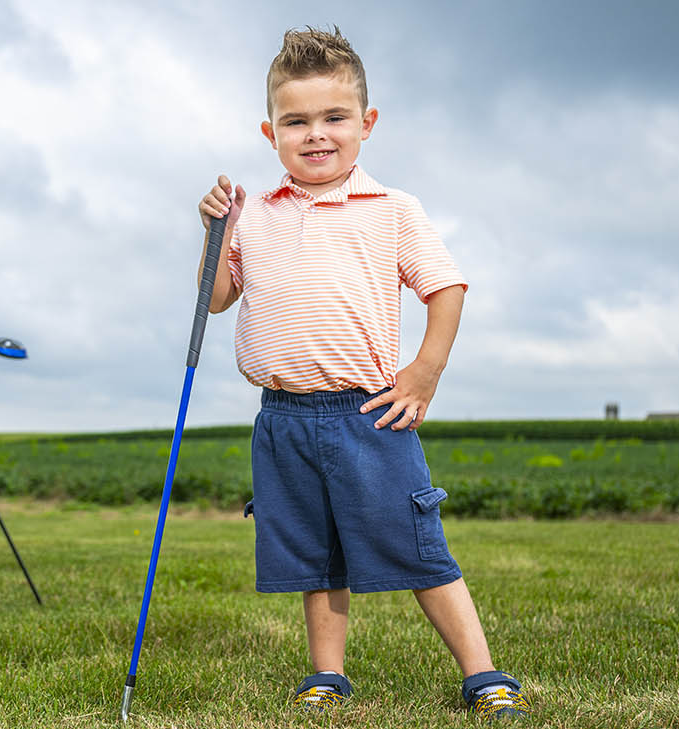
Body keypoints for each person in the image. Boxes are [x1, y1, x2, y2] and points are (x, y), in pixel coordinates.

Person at [197, 26, 530, 720]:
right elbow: (217, 298)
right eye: (296, 121)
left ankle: (484, 673)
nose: (315, 134)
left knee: (418, 546)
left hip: (368, 413)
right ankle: (328, 674)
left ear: (366, 123)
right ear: (271, 131)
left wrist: (424, 374)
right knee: (315, 557)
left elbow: (446, 288)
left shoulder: (393, 209)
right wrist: (217, 233)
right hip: (282, 417)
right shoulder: (252, 215)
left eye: (333, 118)